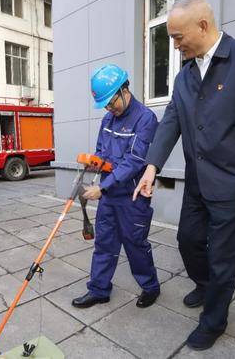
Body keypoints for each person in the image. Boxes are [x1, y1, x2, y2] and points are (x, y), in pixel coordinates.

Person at [133, 0, 235, 350]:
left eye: (177, 37)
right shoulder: (185, 76)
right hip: (198, 182)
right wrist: (152, 166)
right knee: (187, 240)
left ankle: (214, 320)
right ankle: (205, 285)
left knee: (223, 257)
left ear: (203, 25)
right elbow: (171, 121)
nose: (174, 46)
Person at [72, 64, 161, 309]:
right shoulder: (108, 119)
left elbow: (135, 160)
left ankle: (151, 287)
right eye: (106, 105)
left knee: (135, 244)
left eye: (111, 103)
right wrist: (92, 166)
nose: (110, 108)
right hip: (109, 194)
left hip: (132, 196)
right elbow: (102, 151)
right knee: (104, 243)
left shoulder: (145, 119)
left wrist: (103, 188)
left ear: (124, 90)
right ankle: (99, 290)